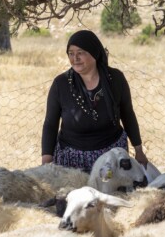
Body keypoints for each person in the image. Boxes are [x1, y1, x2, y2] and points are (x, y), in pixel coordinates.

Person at [41, 30, 149, 173]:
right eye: (71, 53)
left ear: (94, 53)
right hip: (72, 161)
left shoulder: (115, 79)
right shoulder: (61, 84)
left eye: (81, 52)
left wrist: (139, 150)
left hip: (111, 157)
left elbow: (127, 114)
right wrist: (46, 161)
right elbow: (50, 123)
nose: (75, 58)